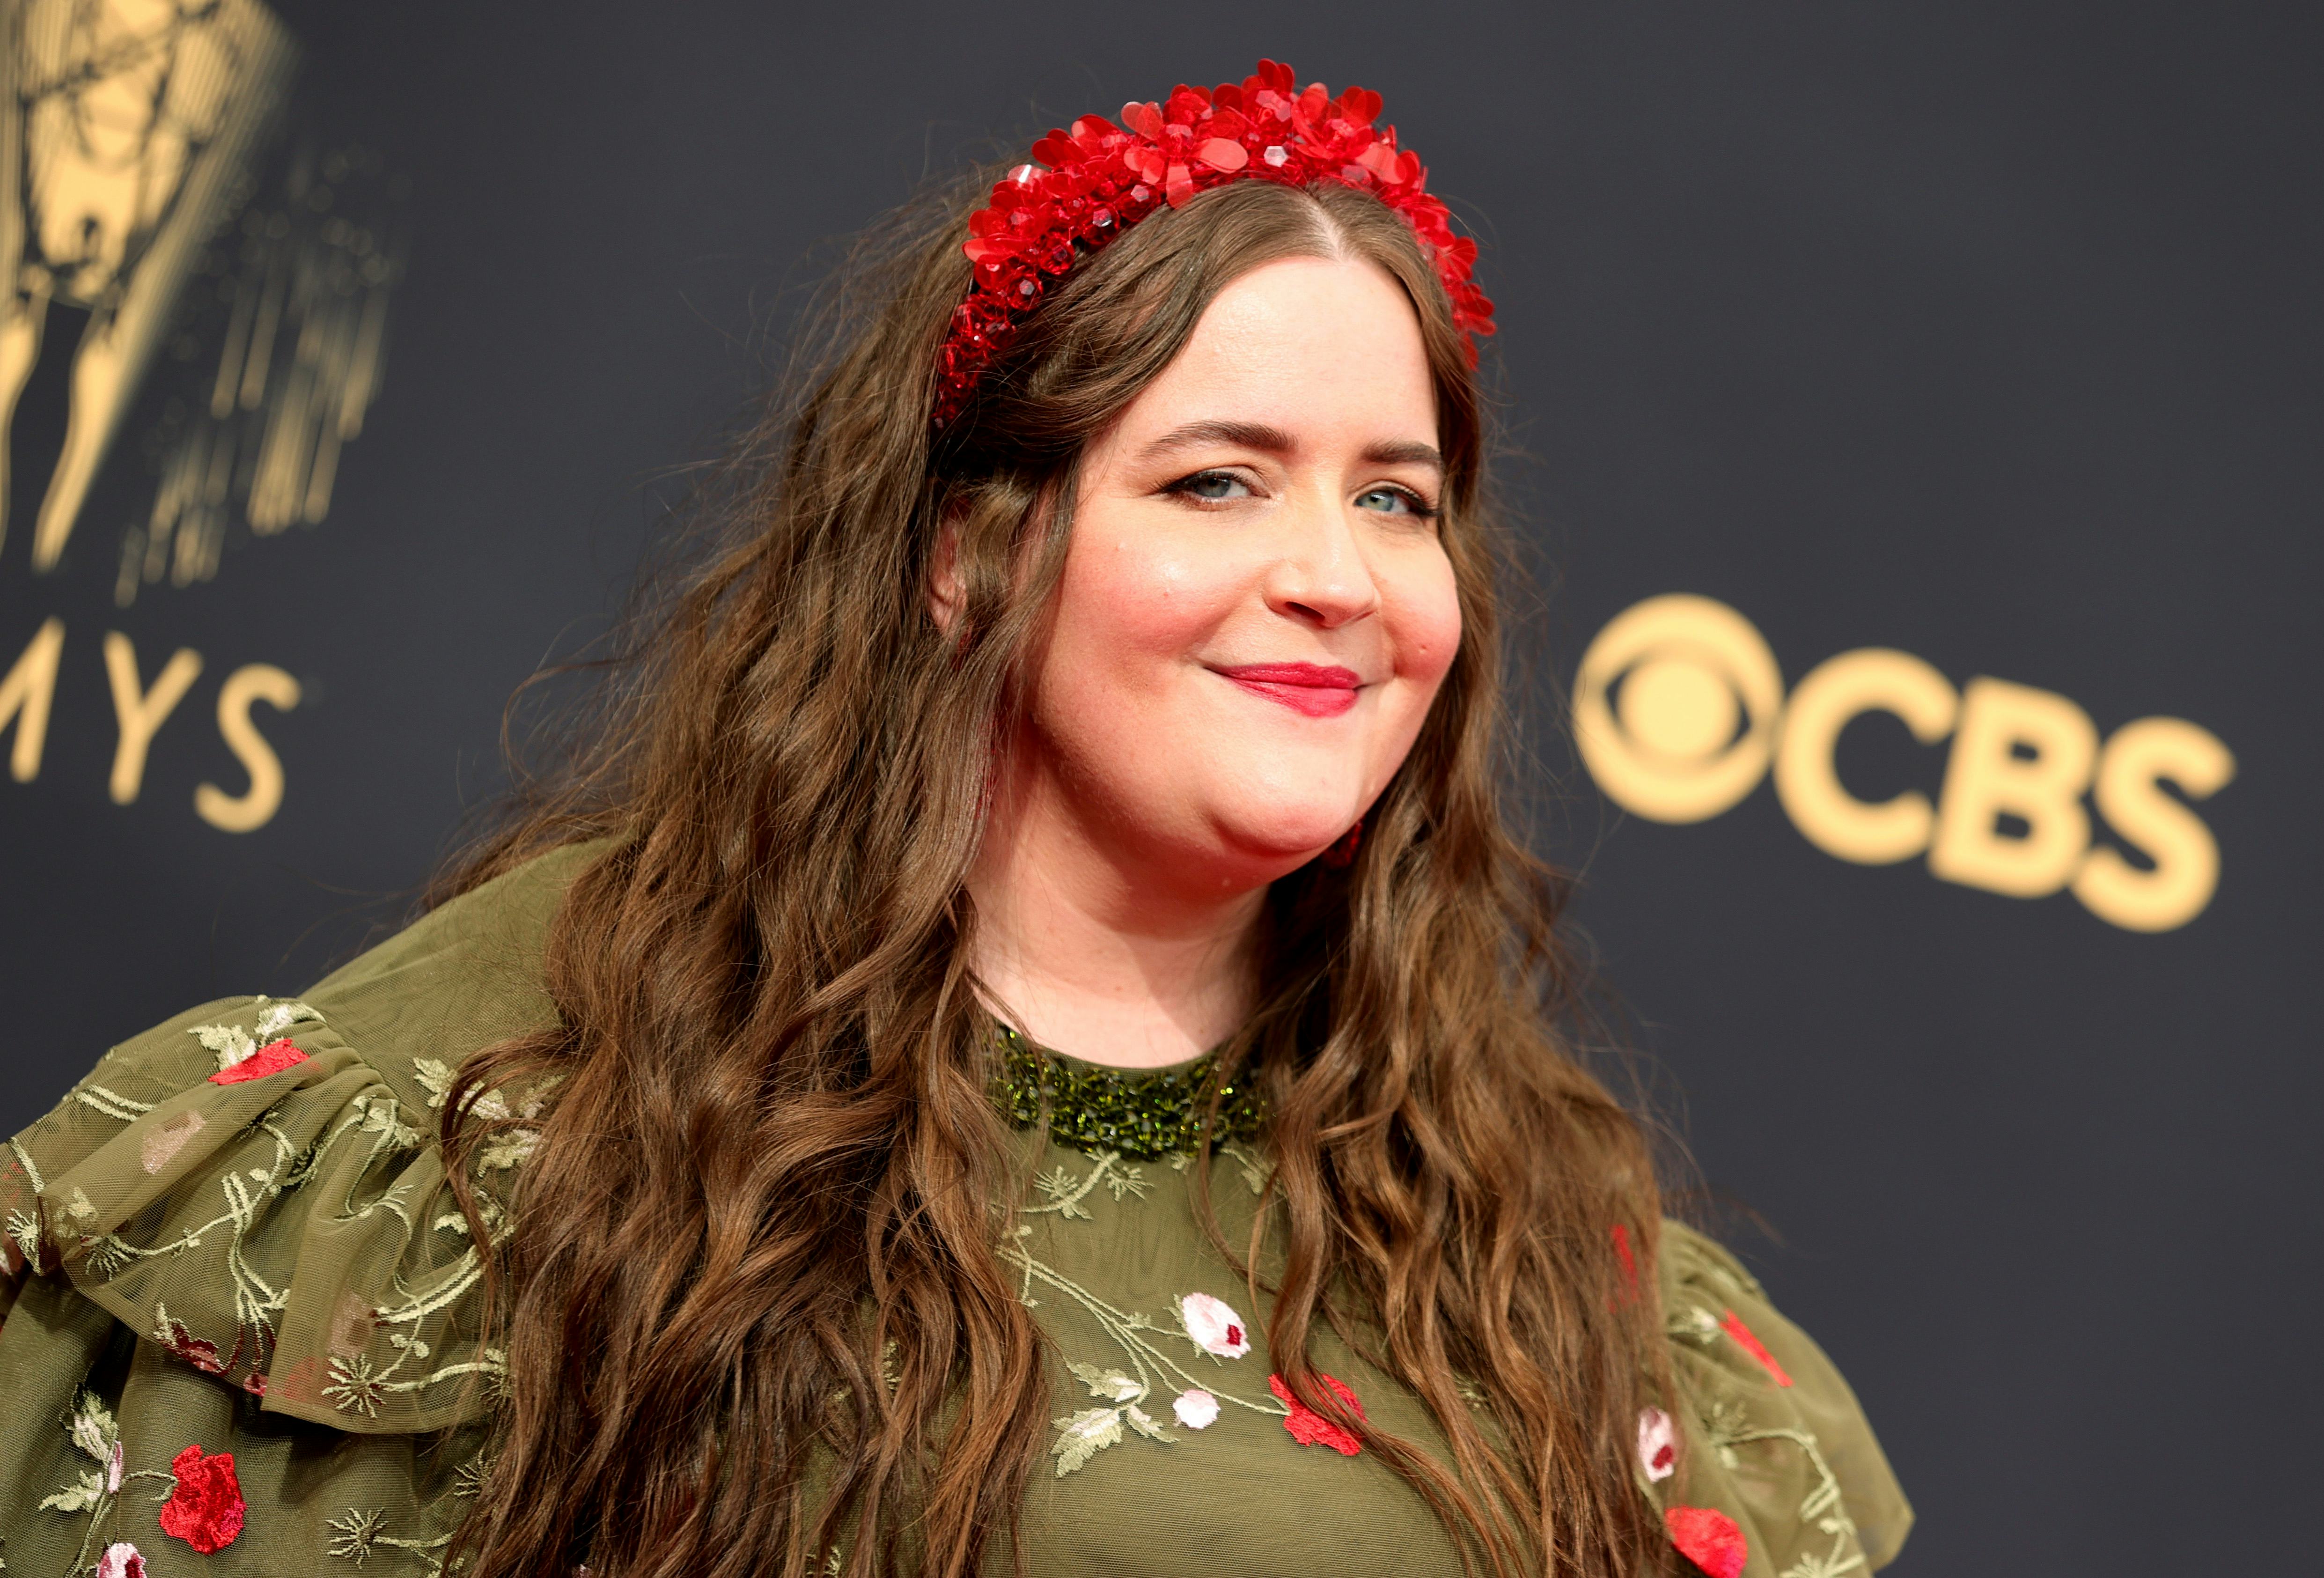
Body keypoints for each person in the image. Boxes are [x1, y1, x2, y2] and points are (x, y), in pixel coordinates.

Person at [0, 60, 1910, 1578]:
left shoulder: (1518, 1210)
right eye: (1218, 481)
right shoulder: (534, 1078)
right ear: (962, 551)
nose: (1338, 573)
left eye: (1398, 499)